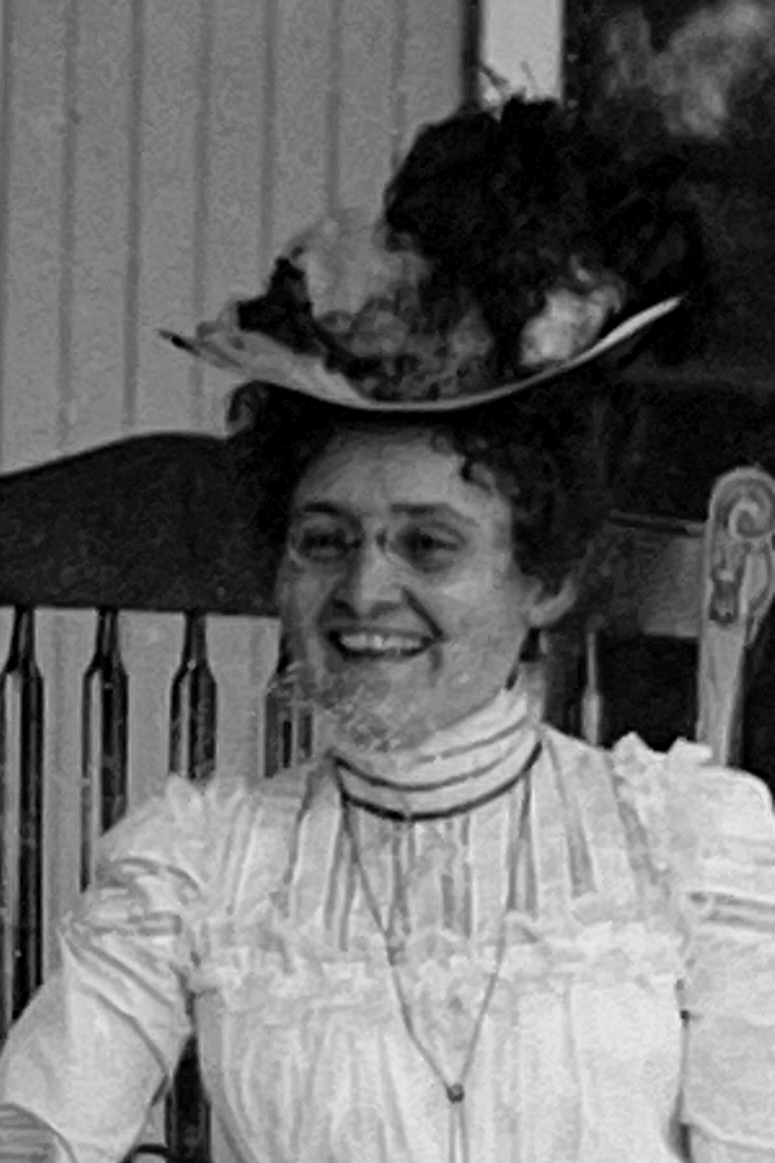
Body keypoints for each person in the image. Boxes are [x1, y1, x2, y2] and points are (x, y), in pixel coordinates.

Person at [1, 94, 774, 1163]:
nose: (364, 589)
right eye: (323, 540)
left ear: (545, 578)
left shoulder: (686, 843)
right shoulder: (201, 864)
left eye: (428, 544)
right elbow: (34, 1132)